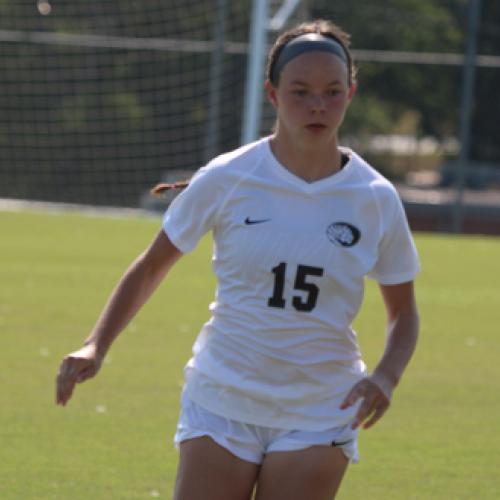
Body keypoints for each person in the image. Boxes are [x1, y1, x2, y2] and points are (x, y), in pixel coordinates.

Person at [56, 19, 420, 500]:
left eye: (332, 91)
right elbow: (151, 267)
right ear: (272, 94)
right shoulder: (228, 176)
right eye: (300, 91)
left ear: (351, 93)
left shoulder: (374, 196)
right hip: (222, 398)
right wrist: (95, 344)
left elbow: (404, 313)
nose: (317, 105)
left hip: (320, 408)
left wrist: (386, 377)